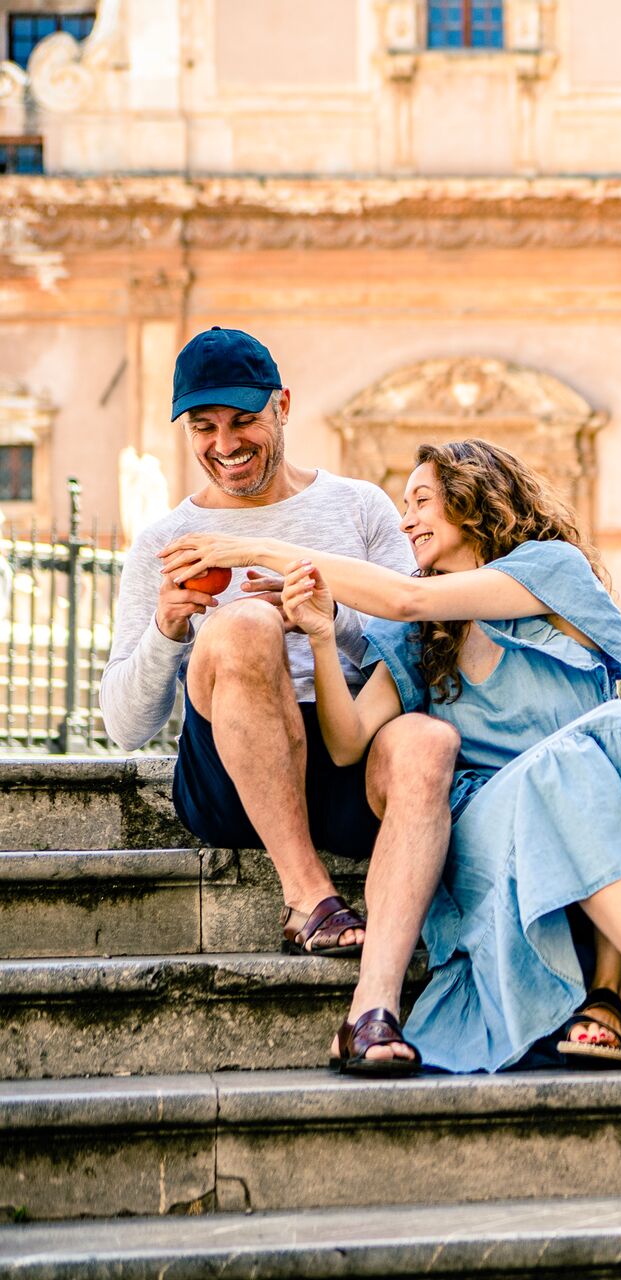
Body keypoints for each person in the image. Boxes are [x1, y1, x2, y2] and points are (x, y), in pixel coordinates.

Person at [161, 440, 621, 1074]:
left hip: (586, 798)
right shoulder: (419, 634)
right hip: (491, 827)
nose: (405, 521)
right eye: (403, 506)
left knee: (605, 738)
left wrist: (255, 547)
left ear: (475, 499)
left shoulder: (551, 568)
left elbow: (406, 596)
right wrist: (319, 635)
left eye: (422, 500)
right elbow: (347, 743)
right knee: (577, 762)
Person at [101, 326, 456, 1075]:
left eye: (242, 421)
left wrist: (326, 617)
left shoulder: (358, 509)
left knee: (428, 743)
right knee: (245, 626)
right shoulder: (167, 536)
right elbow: (124, 728)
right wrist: (169, 628)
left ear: (283, 406)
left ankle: (374, 1008)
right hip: (231, 778)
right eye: (205, 427)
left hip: (342, 746)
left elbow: (420, 637)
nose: (224, 443)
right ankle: (307, 895)